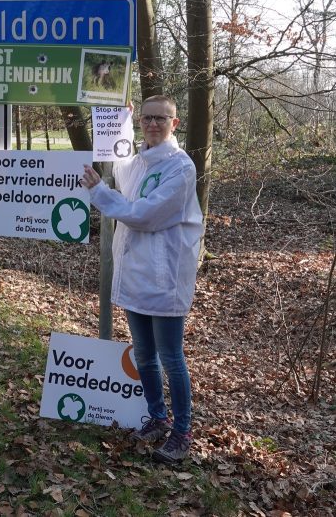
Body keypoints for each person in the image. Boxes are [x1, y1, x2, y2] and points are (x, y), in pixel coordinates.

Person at [79, 95, 204, 464]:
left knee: (171, 357)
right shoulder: (140, 162)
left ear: (174, 123)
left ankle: (182, 431)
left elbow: (143, 215)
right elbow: (121, 166)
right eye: (146, 118)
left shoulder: (180, 168)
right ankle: (157, 417)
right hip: (136, 275)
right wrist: (119, 119)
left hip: (165, 278)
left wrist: (98, 192)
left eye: (160, 119)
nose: (152, 124)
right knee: (145, 355)